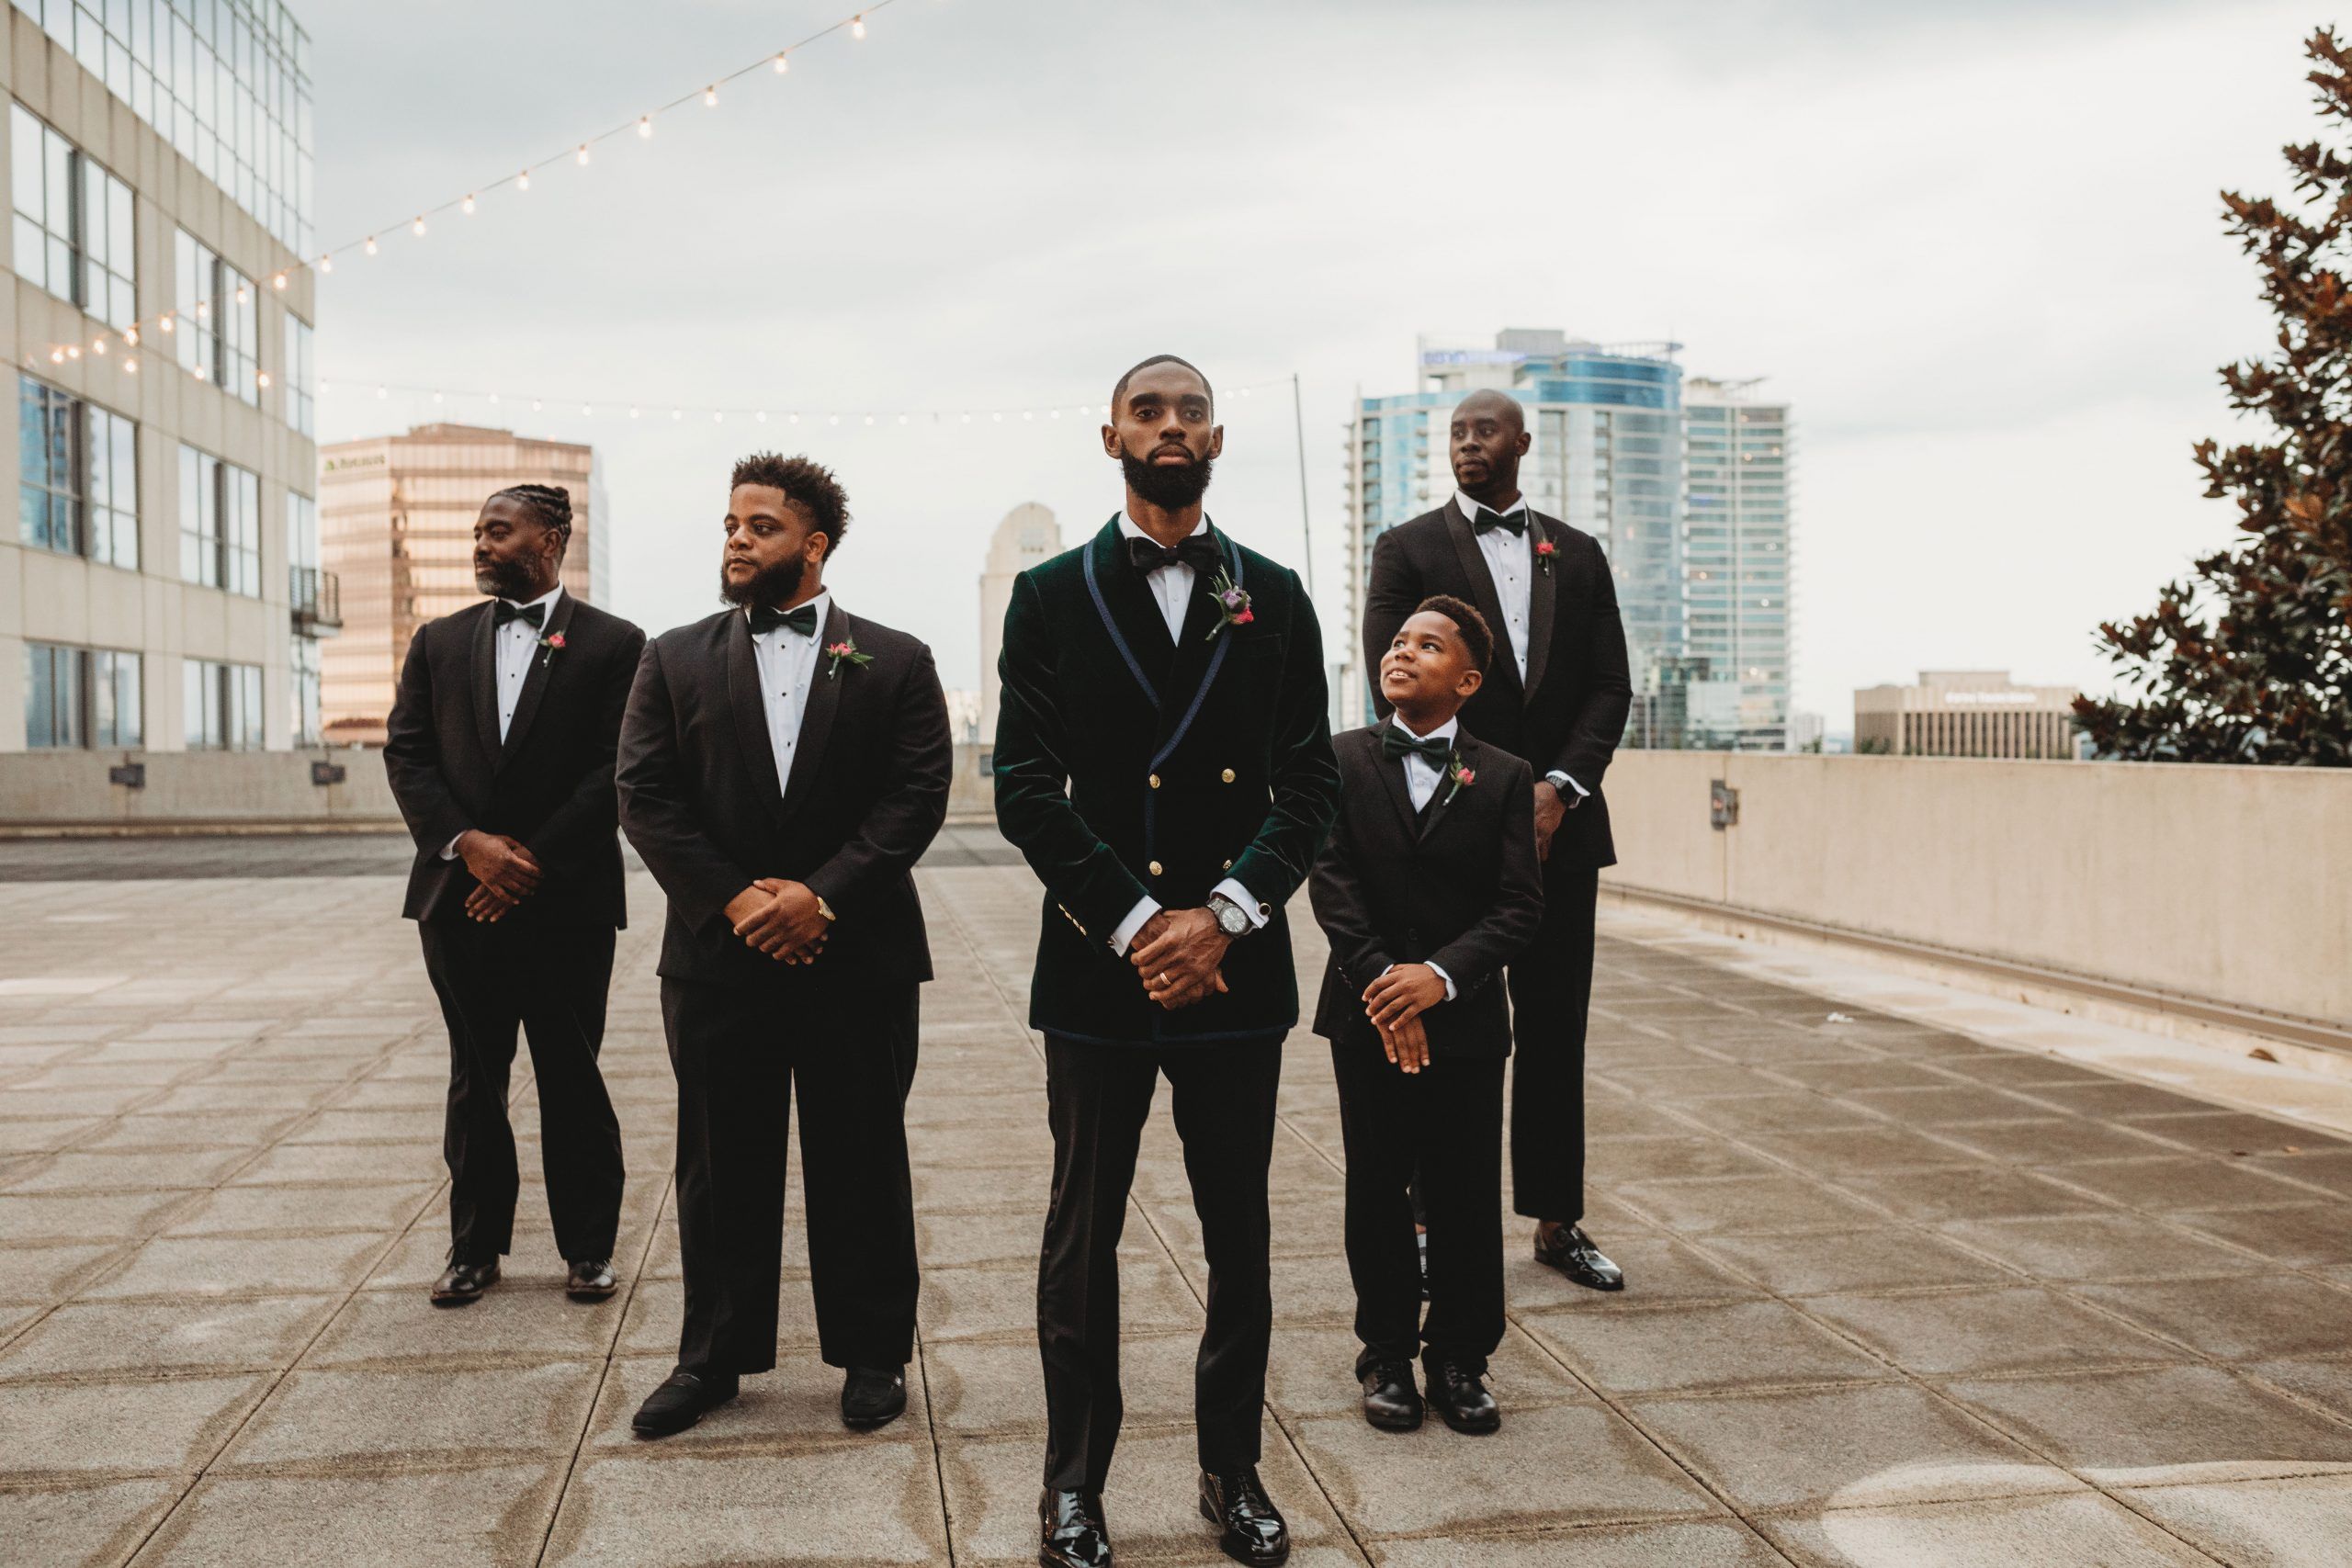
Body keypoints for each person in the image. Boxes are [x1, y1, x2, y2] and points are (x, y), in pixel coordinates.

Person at [993, 355, 1340, 1568]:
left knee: (1238, 1232)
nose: (1172, 425)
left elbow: (1310, 784)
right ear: (1111, 437)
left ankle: (1232, 1470)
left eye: (1191, 409)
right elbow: (1025, 788)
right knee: (1081, 1233)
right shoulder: (1046, 595)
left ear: (1218, 438)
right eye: (1150, 409)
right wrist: (1142, 922)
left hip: (1236, 972)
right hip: (1101, 969)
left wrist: (1227, 912)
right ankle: (1075, 1481)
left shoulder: (1279, 596)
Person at [616, 453, 951, 1438]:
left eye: (759, 526)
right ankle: (713, 1358)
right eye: (730, 523)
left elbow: (914, 798)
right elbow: (646, 796)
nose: (735, 539)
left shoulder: (897, 659)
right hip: (718, 961)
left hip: (859, 955)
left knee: (862, 1158)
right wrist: (737, 903)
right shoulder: (670, 657)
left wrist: (821, 898)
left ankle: (873, 1353)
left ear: (814, 545)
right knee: (721, 1164)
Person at [1360, 389, 1634, 1292]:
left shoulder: (1580, 555)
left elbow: (1608, 686)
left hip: (1566, 828)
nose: (1467, 444)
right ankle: (1430, 1217)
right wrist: (1488, 798)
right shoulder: (1407, 548)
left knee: (1557, 1031)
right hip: (1449, 830)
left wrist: (1558, 789)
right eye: (1455, 433)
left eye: (1483, 431)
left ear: (1521, 442)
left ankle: (1558, 1221)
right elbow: (1393, 683)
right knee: (1444, 1026)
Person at [382, 484, 641, 1308]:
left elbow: (618, 768)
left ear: (552, 537)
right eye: (477, 531)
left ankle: (589, 1249)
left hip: (566, 902)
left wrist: (526, 862)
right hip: (457, 899)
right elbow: (408, 755)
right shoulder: (438, 641)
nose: (481, 543)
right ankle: (474, 1248)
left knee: (573, 1074)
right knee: (474, 1077)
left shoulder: (615, 644)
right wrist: (472, 848)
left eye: (500, 529)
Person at [1309, 596, 1543, 1436]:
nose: (1403, 651)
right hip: (1365, 1014)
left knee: (1465, 1187)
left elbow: (1519, 907)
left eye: (1429, 645)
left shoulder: (1508, 775)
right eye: (1400, 640)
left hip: (1467, 1019)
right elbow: (1331, 886)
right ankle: (1384, 1353)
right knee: (1375, 1185)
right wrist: (1386, 987)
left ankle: (1460, 1354)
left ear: (1468, 680)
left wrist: (1438, 979)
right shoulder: (1335, 760)